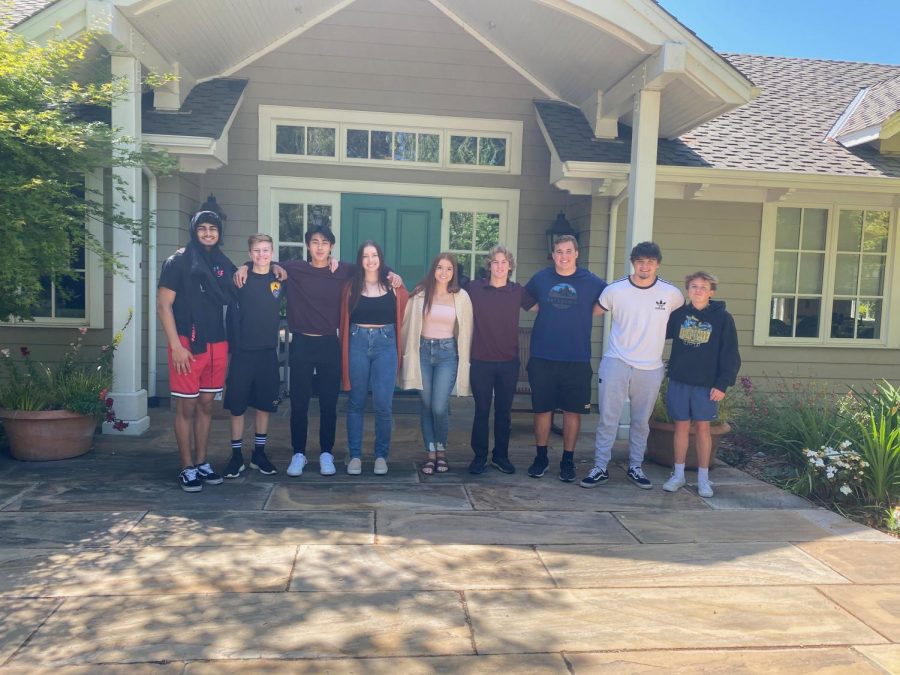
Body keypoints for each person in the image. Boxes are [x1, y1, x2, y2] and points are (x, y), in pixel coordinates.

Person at [235, 225, 401, 478]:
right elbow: (265, 260)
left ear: (332, 246)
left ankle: (326, 453)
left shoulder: (343, 269)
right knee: (300, 403)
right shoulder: (293, 269)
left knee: (328, 403)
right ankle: (298, 453)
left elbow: (370, 266)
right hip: (301, 343)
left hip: (329, 344)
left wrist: (392, 274)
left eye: (325, 242)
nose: (320, 247)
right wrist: (245, 265)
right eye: (315, 242)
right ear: (308, 246)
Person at [581, 241, 684, 490]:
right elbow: (588, 313)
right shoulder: (615, 290)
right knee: (608, 418)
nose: (644, 267)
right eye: (640, 262)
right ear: (633, 263)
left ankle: (635, 466)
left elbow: (681, 322)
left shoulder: (672, 294)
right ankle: (600, 466)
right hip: (616, 361)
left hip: (650, 367)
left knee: (641, 421)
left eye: (650, 262)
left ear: (657, 264)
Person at [158, 210, 237, 492]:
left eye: (212, 228)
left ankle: (202, 462)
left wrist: (275, 267)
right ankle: (186, 467)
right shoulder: (177, 261)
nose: (207, 233)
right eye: (202, 228)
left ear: (219, 233)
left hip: (217, 342)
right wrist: (176, 345)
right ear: (194, 231)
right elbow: (163, 305)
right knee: (187, 406)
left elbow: (242, 277)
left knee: (206, 405)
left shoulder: (220, 261)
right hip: (187, 344)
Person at [523, 235, 606, 482]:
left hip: (576, 358)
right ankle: (541, 458)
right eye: (559, 252)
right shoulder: (541, 278)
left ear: (577, 253)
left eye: (568, 251)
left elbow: (608, 302)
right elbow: (526, 301)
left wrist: (583, 313)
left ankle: (568, 461)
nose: (564, 256)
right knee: (542, 410)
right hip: (543, 356)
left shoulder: (592, 282)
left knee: (572, 411)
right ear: (553, 255)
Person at [662, 271, 741, 498]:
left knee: (704, 429)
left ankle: (703, 479)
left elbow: (730, 354)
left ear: (711, 292)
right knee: (681, 427)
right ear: (688, 290)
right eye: (694, 286)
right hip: (679, 379)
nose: (698, 291)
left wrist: (722, 384)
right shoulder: (678, 315)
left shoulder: (723, 318)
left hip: (706, 384)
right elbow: (655, 331)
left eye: (703, 287)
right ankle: (678, 475)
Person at [339, 241, 409, 475]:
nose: (370, 260)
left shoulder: (394, 286)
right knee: (356, 402)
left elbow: (410, 312)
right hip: (357, 342)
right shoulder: (350, 287)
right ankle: (355, 456)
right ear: (360, 260)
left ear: (381, 258)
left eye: (375, 255)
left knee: (383, 404)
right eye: (366, 256)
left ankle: (381, 456)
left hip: (386, 345)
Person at [400, 253, 473, 475]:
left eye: (449, 269)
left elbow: (467, 332)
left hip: (447, 354)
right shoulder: (420, 295)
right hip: (423, 352)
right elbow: (406, 325)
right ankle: (431, 454)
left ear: (454, 273)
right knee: (427, 404)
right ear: (433, 270)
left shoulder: (461, 297)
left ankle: (442, 448)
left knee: (439, 406)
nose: (444, 273)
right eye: (440, 268)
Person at [465, 245, 535, 475]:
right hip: (481, 360)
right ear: (489, 265)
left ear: (510, 266)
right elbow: (446, 290)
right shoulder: (475, 288)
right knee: (481, 410)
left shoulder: (517, 291)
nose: (500, 266)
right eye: (495, 262)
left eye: (504, 262)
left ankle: (501, 456)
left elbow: (541, 307)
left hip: (508, 362)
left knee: (504, 412)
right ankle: (479, 457)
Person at [222, 234, 283, 479]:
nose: (261, 255)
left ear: (272, 252)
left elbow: (291, 267)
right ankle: (236, 456)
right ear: (249, 254)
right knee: (237, 407)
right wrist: (243, 268)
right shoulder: (239, 279)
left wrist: (277, 266)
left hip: (267, 352)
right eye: (256, 251)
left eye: (266, 250)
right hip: (242, 353)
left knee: (264, 405)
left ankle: (259, 453)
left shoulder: (279, 278)